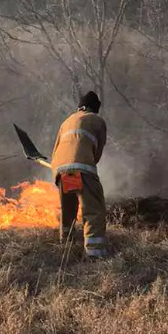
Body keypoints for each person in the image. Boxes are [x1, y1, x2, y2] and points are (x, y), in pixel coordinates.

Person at [51, 91, 108, 259]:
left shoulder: (67, 121)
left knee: (69, 209)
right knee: (93, 210)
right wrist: (89, 163)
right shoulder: (97, 121)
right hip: (82, 167)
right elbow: (97, 152)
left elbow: (56, 149)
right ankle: (95, 254)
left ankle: (66, 243)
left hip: (61, 169)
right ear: (95, 108)